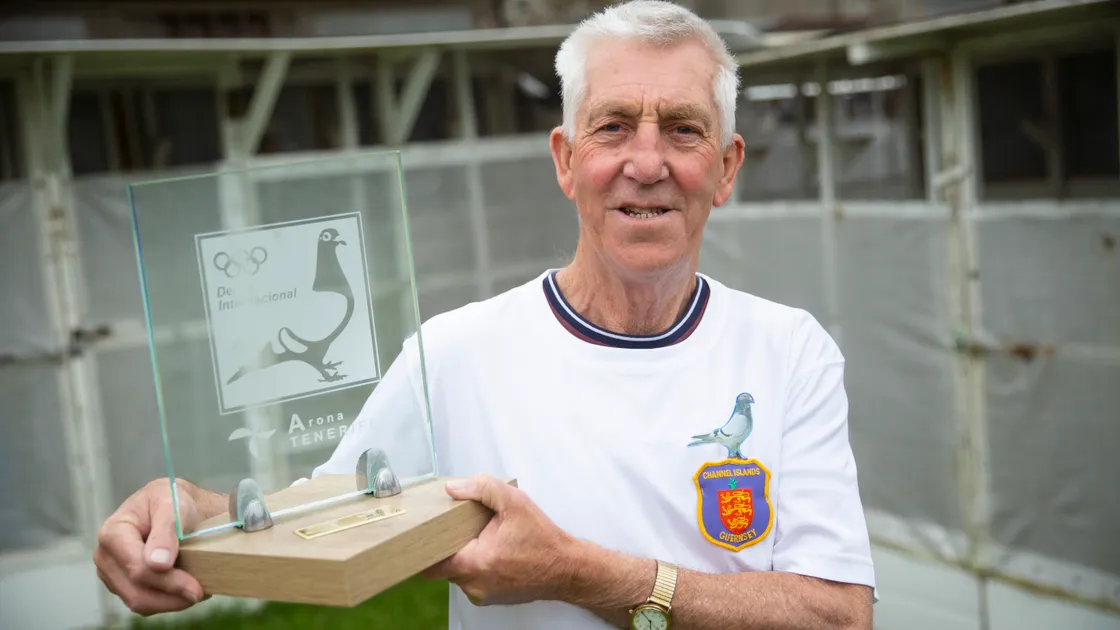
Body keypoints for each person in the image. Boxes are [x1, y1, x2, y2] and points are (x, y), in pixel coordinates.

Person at [93, 2, 876, 629]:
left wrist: (579, 573)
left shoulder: (790, 351)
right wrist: (190, 512)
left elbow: (839, 616)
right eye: (612, 127)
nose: (646, 161)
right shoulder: (457, 352)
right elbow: (328, 515)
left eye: (682, 128)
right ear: (566, 160)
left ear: (727, 166)